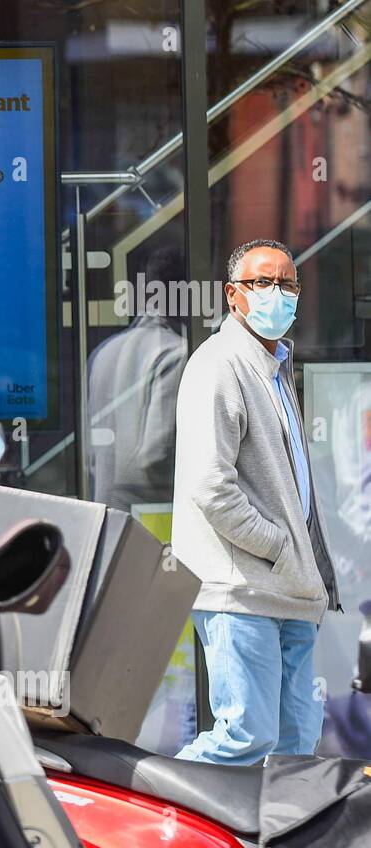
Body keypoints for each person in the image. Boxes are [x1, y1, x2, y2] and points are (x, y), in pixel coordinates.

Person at [171, 238, 342, 765]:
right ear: (232, 295)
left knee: (293, 748)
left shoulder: (274, 366)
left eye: (287, 284)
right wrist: (277, 547)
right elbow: (210, 485)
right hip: (242, 588)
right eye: (261, 283)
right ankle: (154, 829)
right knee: (244, 736)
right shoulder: (219, 365)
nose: (277, 294)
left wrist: (299, 562)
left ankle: (275, 847)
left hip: (290, 590)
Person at [88, 245, 189, 511]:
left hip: (105, 513)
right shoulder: (175, 354)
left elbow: (90, 455)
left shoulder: (104, 352)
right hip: (150, 521)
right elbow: (157, 456)